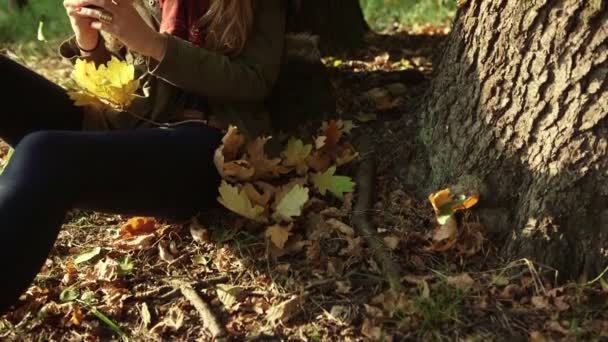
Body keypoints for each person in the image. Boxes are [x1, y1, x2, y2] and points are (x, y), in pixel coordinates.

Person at [0, 0, 288, 314]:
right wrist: (89, 41)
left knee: (45, 154)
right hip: (128, 126)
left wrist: (154, 45)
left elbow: (255, 82)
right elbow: (119, 82)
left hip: (204, 144)